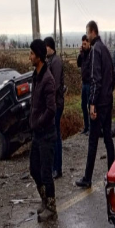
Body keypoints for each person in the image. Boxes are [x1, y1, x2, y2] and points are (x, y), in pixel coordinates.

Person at [75, 21, 115, 189]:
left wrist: (92, 103)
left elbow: (95, 79)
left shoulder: (95, 51)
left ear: (92, 32)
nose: (87, 37)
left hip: (99, 103)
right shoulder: (105, 49)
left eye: (87, 33)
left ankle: (87, 177)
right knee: (108, 139)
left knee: (93, 141)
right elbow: (113, 76)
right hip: (107, 100)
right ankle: (113, 174)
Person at [28, 39, 58, 221]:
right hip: (36, 134)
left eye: (31, 53)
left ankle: (52, 208)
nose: (29, 57)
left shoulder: (47, 79)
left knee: (46, 173)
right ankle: (44, 199)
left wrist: (38, 122)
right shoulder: (35, 76)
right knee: (34, 169)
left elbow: (51, 109)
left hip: (47, 134)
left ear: (38, 56)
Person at [44, 36, 65, 179]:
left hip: (56, 104)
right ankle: (54, 167)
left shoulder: (56, 62)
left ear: (50, 47)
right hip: (53, 103)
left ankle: (58, 168)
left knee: (56, 136)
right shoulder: (49, 61)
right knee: (53, 136)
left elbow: (56, 85)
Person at [77, 35, 91, 135]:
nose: (84, 45)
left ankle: (91, 127)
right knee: (83, 106)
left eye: (85, 44)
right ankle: (86, 126)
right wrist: (80, 53)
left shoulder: (92, 54)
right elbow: (78, 64)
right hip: (84, 83)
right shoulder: (83, 54)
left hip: (90, 83)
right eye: (83, 44)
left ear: (89, 43)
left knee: (90, 106)